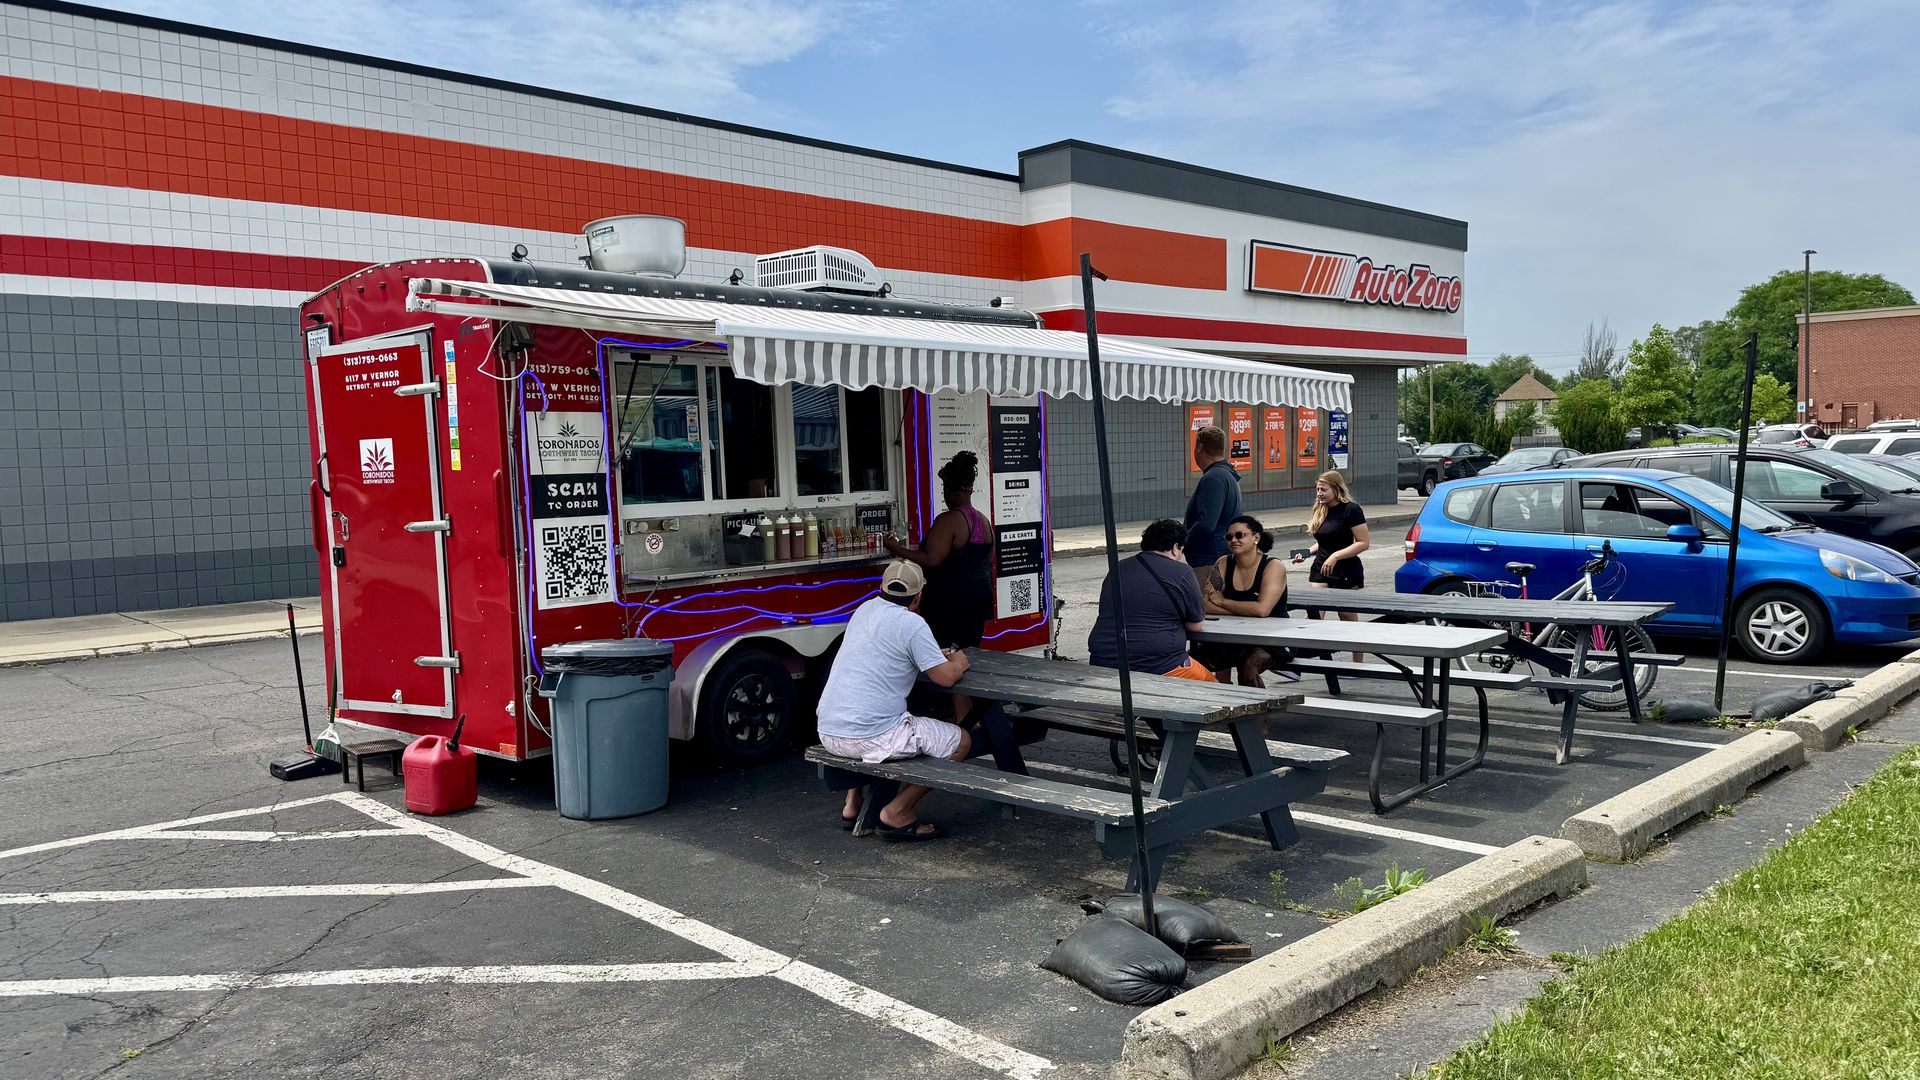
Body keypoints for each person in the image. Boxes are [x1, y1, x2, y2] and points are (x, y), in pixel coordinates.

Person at [815, 561, 972, 841]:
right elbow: (947, 678)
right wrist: (959, 660)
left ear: (882, 588)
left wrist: (930, 653)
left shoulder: (864, 611)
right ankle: (897, 812)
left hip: (830, 731)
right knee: (962, 741)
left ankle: (853, 804)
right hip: (871, 738)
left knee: (873, 713)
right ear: (918, 596)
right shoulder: (912, 623)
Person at [1088, 519, 1215, 682]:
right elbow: (1196, 625)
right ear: (1176, 548)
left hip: (1103, 659)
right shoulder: (1182, 572)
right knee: (1216, 687)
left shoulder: (1117, 568)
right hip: (1158, 664)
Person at [1196, 514, 1298, 687]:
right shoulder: (1223, 563)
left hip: (1275, 639)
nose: (1233, 540)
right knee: (1194, 660)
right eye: (1229, 537)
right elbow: (1204, 604)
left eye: (1239, 535)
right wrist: (1245, 609)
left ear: (1256, 537)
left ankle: (1259, 714)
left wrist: (1222, 602)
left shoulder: (1273, 566)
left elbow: (1262, 610)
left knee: (1248, 667)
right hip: (1238, 637)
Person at [1292, 470, 1370, 662]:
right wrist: (1307, 552)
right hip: (1321, 570)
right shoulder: (1321, 509)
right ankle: (1299, 663)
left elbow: (1363, 542)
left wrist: (1336, 556)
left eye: (1323, 489)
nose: (1319, 493)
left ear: (1336, 488)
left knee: (1347, 619)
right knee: (1313, 618)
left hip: (1346, 571)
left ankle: (1357, 664)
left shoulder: (1351, 510)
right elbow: (1325, 541)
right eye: (1317, 489)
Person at [1183, 425, 1241, 592]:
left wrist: (1181, 543)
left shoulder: (1213, 478)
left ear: (1200, 448)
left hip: (1209, 562)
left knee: (1206, 611)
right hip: (1217, 558)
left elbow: (1206, 523)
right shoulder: (1226, 474)